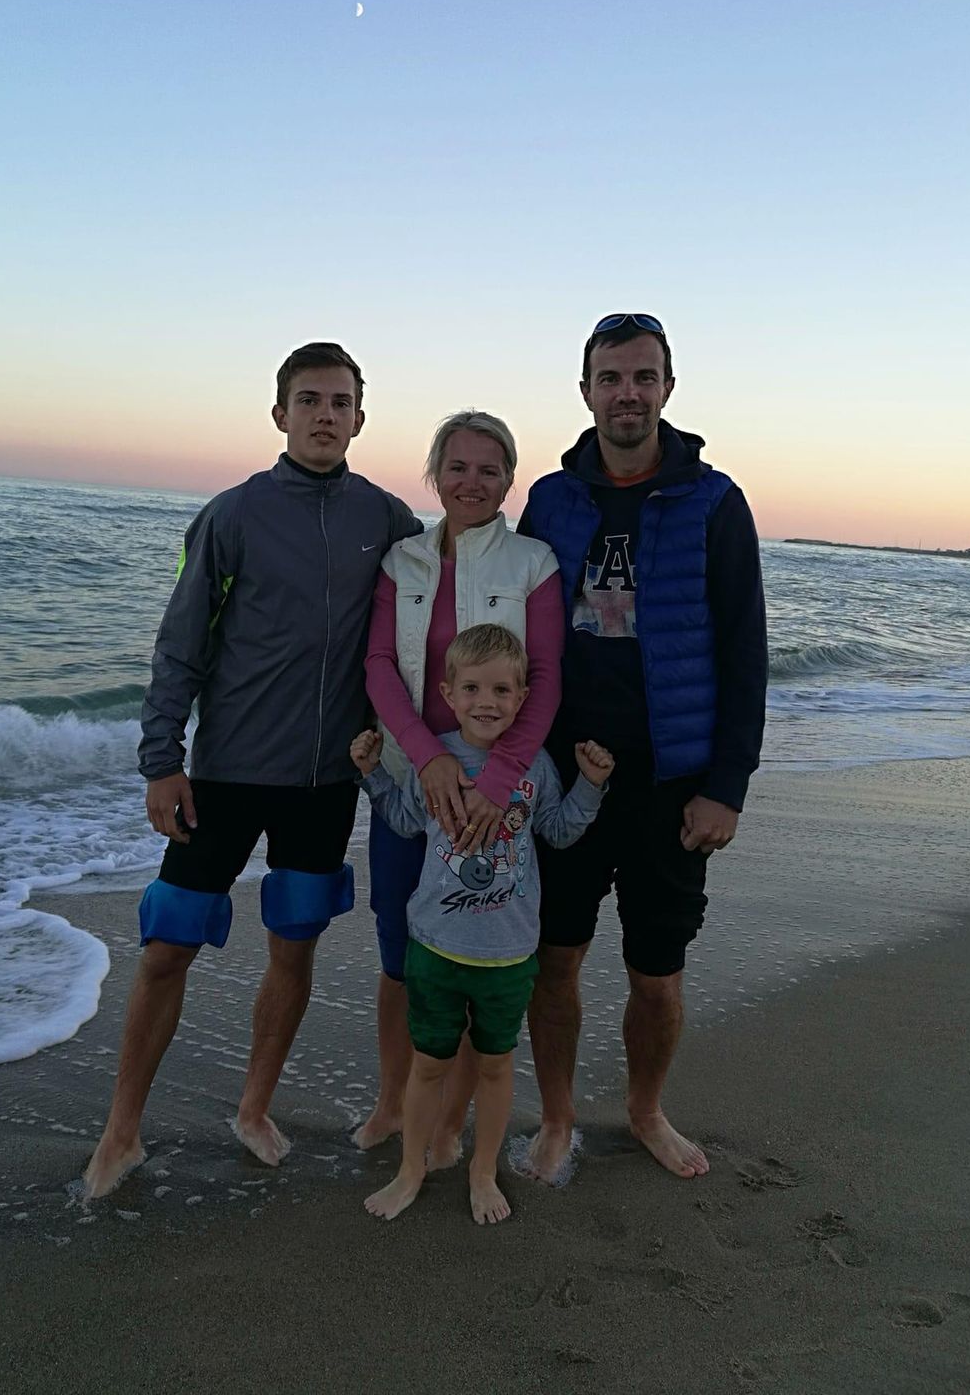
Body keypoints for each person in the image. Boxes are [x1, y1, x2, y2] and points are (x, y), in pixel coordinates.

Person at [81, 343, 422, 1199]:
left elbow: (425, 627)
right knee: (168, 946)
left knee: (294, 946)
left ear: (360, 418)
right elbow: (180, 646)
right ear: (279, 413)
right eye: (309, 400)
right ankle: (121, 1131)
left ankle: (254, 1109)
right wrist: (162, 762)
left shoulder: (387, 520)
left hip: (326, 783)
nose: (324, 415)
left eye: (340, 402)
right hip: (225, 775)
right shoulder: (232, 515)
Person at [519, 313, 767, 1183]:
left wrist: (726, 786)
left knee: (656, 976)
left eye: (643, 377)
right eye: (611, 378)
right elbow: (514, 625)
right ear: (585, 390)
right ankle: (557, 1118)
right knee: (555, 961)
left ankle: (645, 1110)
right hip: (564, 777)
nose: (627, 393)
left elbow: (744, 651)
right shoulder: (551, 499)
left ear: (667, 387)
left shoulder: (715, 502)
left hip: (672, 782)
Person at [352, 412, 564, 1158]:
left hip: (495, 797)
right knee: (399, 956)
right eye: (457, 467)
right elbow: (379, 665)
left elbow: (544, 679)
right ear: (435, 473)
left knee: (477, 959)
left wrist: (498, 780)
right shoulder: (402, 560)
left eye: (489, 470)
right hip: (416, 782)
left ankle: (447, 1126)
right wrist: (426, 757)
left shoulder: (533, 563)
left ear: (509, 481)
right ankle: (392, 1105)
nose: (472, 482)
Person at [350, 624, 613, 1224]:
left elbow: (559, 831)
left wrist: (591, 785)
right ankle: (411, 1170)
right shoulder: (435, 761)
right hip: (435, 949)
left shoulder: (535, 766)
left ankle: (483, 1171)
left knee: (496, 1065)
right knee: (428, 1065)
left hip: (509, 955)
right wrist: (372, 773)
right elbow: (403, 819)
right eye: (471, 688)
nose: (486, 702)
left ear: (523, 698)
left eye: (501, 690)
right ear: (447, 693)